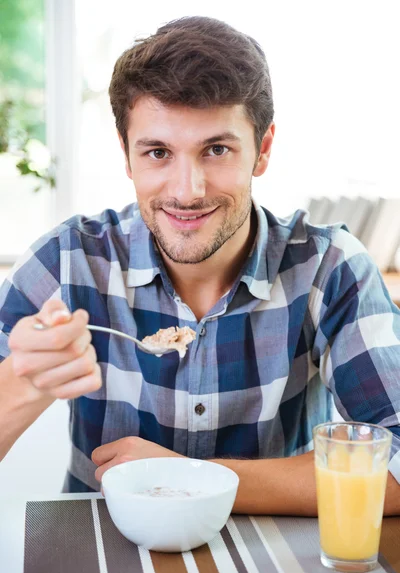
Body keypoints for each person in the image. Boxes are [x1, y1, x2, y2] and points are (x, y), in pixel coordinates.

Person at [0, 15, 399, 515]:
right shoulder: (70, 262)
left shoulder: (329, 269)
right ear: (127, 156)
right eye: (158, 152)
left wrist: (188, 479)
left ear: (263, 149)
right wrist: (25, 380)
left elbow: (397, 463)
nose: (187, 191)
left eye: (217, 149)